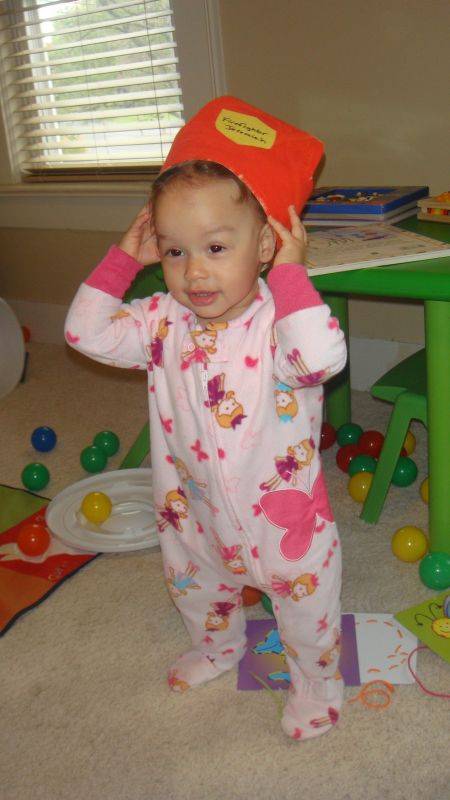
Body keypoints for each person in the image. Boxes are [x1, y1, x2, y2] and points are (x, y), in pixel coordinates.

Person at [65, 96, 347, 741]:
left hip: (285, 524)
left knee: (307, 612)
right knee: (196, 589)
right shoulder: (160, 320)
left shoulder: (281, 323)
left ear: (266, 243)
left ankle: (317, 683)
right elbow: (84, 334)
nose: (194, 271)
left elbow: (321, 358)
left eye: (217, 247)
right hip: (191, 511)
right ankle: (219, 647)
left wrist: (293, 275)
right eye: (173, 251)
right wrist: (122, 259)